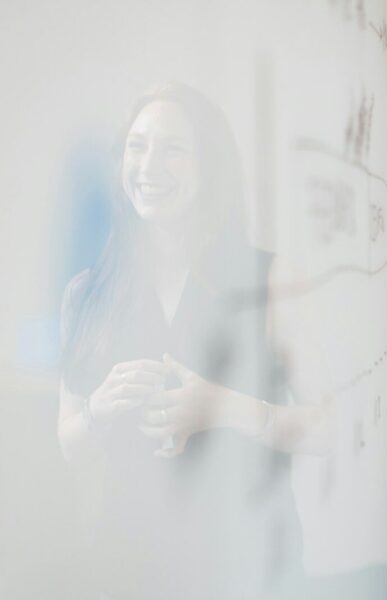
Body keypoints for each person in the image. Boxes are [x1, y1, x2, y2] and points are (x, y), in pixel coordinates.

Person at [58, 83, 325, 599]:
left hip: (249, 562)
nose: (149, 165)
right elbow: (70, 443)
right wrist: (100, 406)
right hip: (128, 562)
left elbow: (330, 426)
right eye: (137, 147)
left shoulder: (270, 280)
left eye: (173, 149)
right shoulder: (85, 293)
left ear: (211, 168)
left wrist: (222, 407)